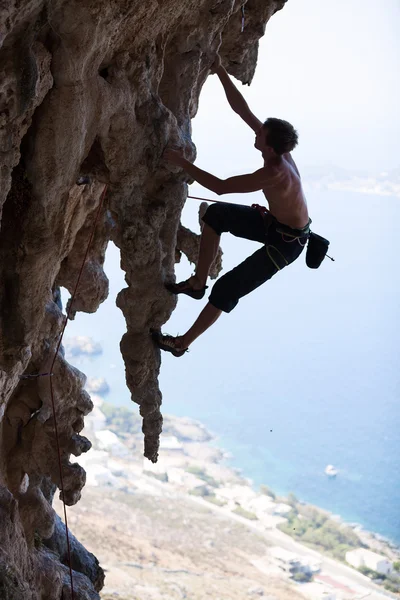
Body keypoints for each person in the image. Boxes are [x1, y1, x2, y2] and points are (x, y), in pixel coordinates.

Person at [153, 54, 310, 357]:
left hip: (287, 244)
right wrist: (219, 69)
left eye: (261, 133)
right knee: (216, 215)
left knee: (226, 289)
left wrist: (180, 162)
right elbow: (243, 110)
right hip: (278, 225)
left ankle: (181, 343)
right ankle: (197, 283)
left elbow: (222, 187)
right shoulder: (278, 153)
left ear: (270, 146)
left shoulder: (274, 172)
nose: (257, 131)